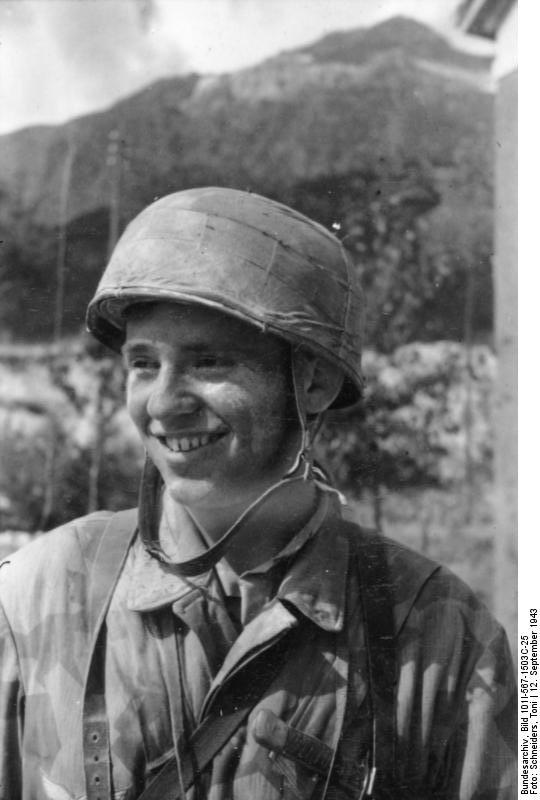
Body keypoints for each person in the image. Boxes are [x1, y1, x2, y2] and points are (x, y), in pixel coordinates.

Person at [0, 187, 516, 800]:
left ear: (315, 382)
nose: (164, 402)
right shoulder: (35, 596)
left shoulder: (447, 640)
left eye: (210, 363)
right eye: (143, 364)